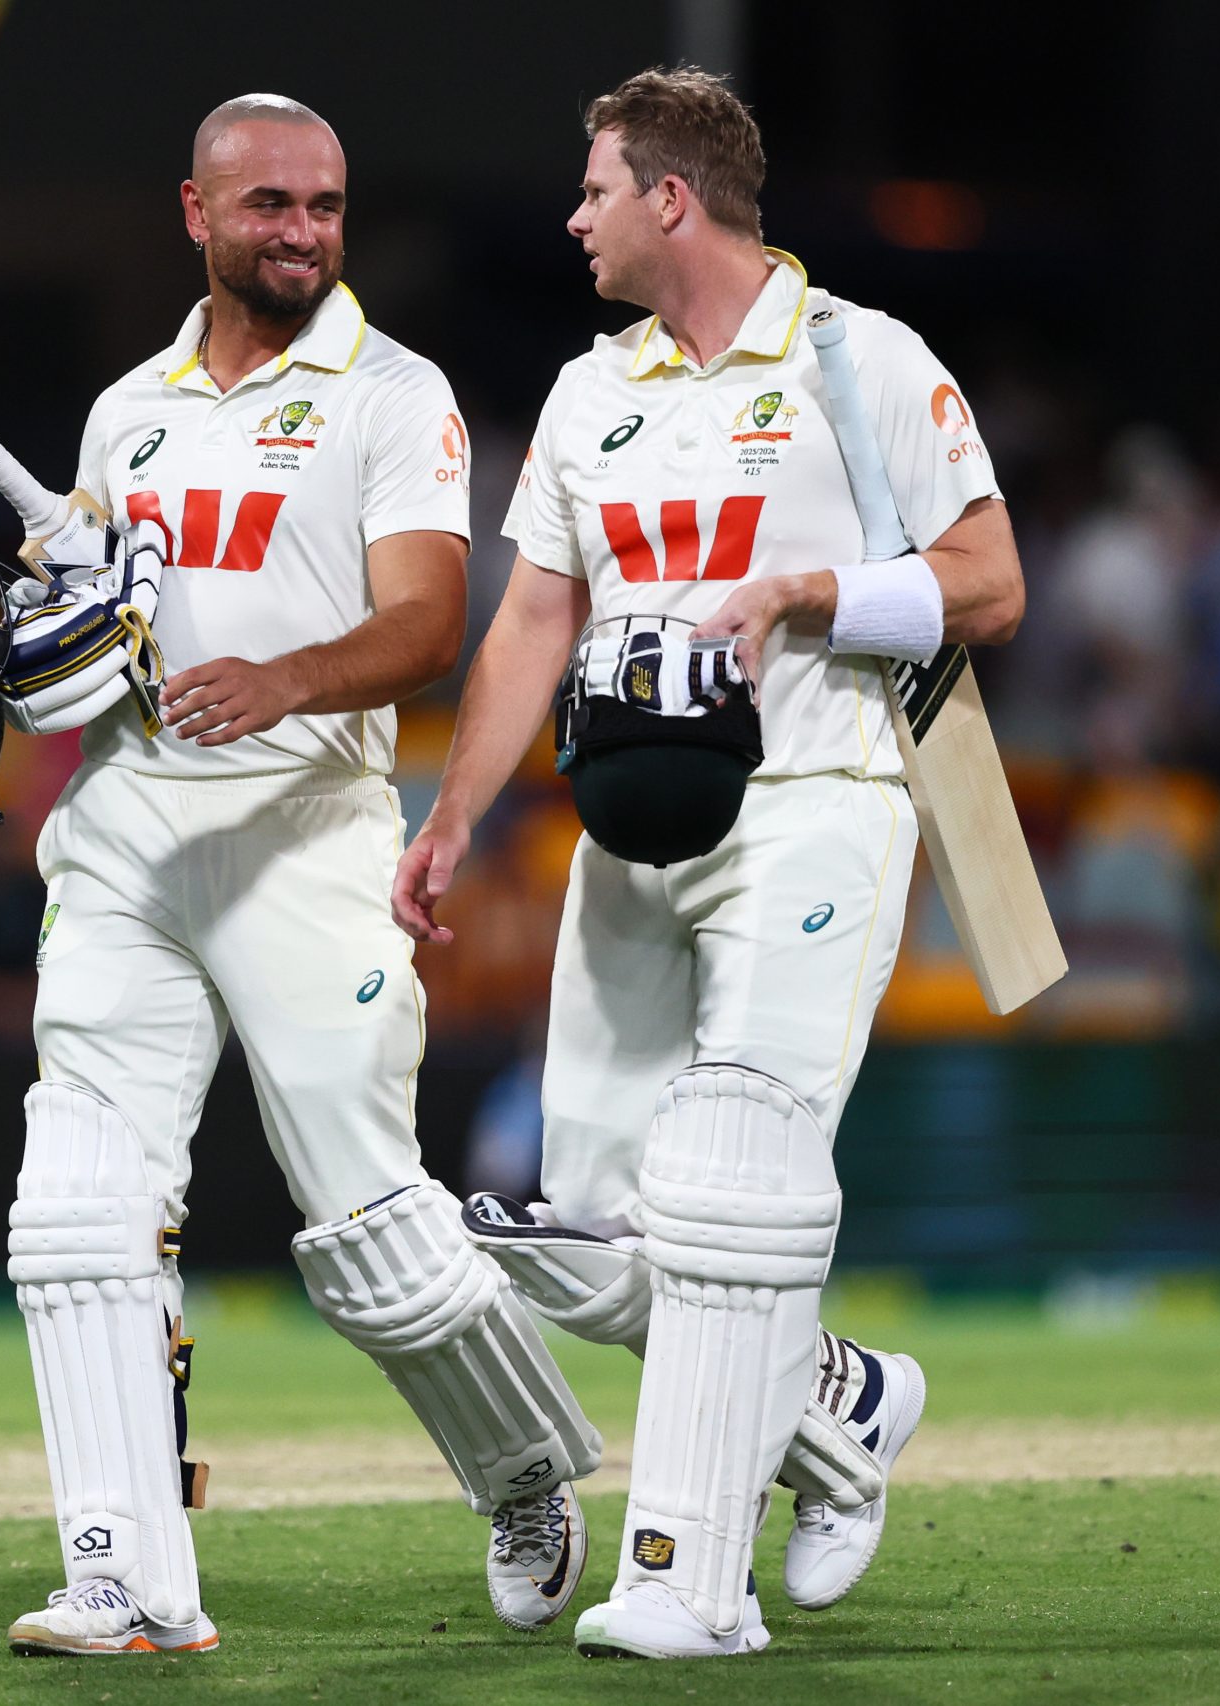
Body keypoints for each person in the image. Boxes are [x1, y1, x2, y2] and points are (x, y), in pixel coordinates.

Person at [393, 68, 1026, 1660]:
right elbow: (534, 621)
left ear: (670, 199)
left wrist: (808, 591)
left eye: (596, 189)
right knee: (604, 1232)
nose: (574, 218)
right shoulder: (586, 392)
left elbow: (991, 582)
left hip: (818, 799)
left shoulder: (860, 356)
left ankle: (689, 1584)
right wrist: (453, 815)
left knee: (733, 1189)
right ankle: (840, 1405)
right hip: (626, 829)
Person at [0, 93, 604, 1659]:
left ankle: (525, 1468)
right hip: (129, 832)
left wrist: (281, 679)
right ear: (196, 213)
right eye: (270, 204)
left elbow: (430, 622)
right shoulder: (127, 411)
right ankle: (126, 1576)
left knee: (372, 1228)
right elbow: (97, 637)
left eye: (324, 204)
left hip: (306, 826)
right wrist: (41, 644)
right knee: (76, 1208)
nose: (304, 232)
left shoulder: (393, 392)